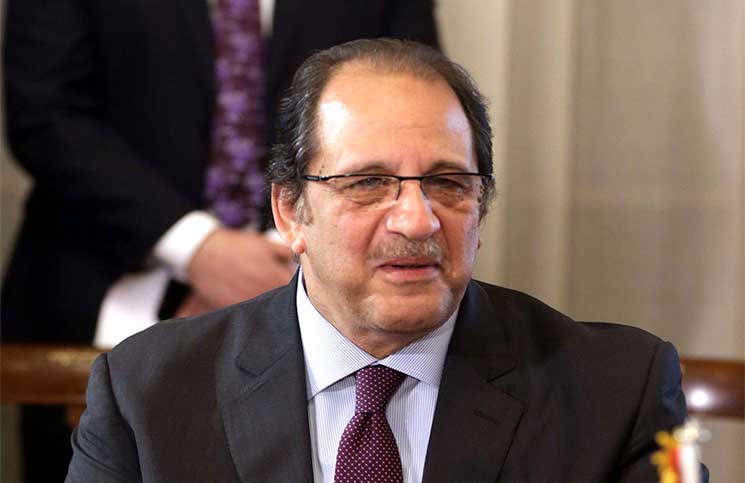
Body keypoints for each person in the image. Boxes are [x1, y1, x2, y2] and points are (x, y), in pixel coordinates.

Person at [66, 39, 706, 482]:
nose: (416, 220)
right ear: (290, 211)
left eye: (448, 183)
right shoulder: (147, 393)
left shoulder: (616, 391)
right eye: (368, 183)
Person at [2, 1, 439, 480]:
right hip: (100, 278)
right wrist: (198, 249)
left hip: (320, 279)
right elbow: (45, 114)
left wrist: (293, 242)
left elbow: (412, 102)